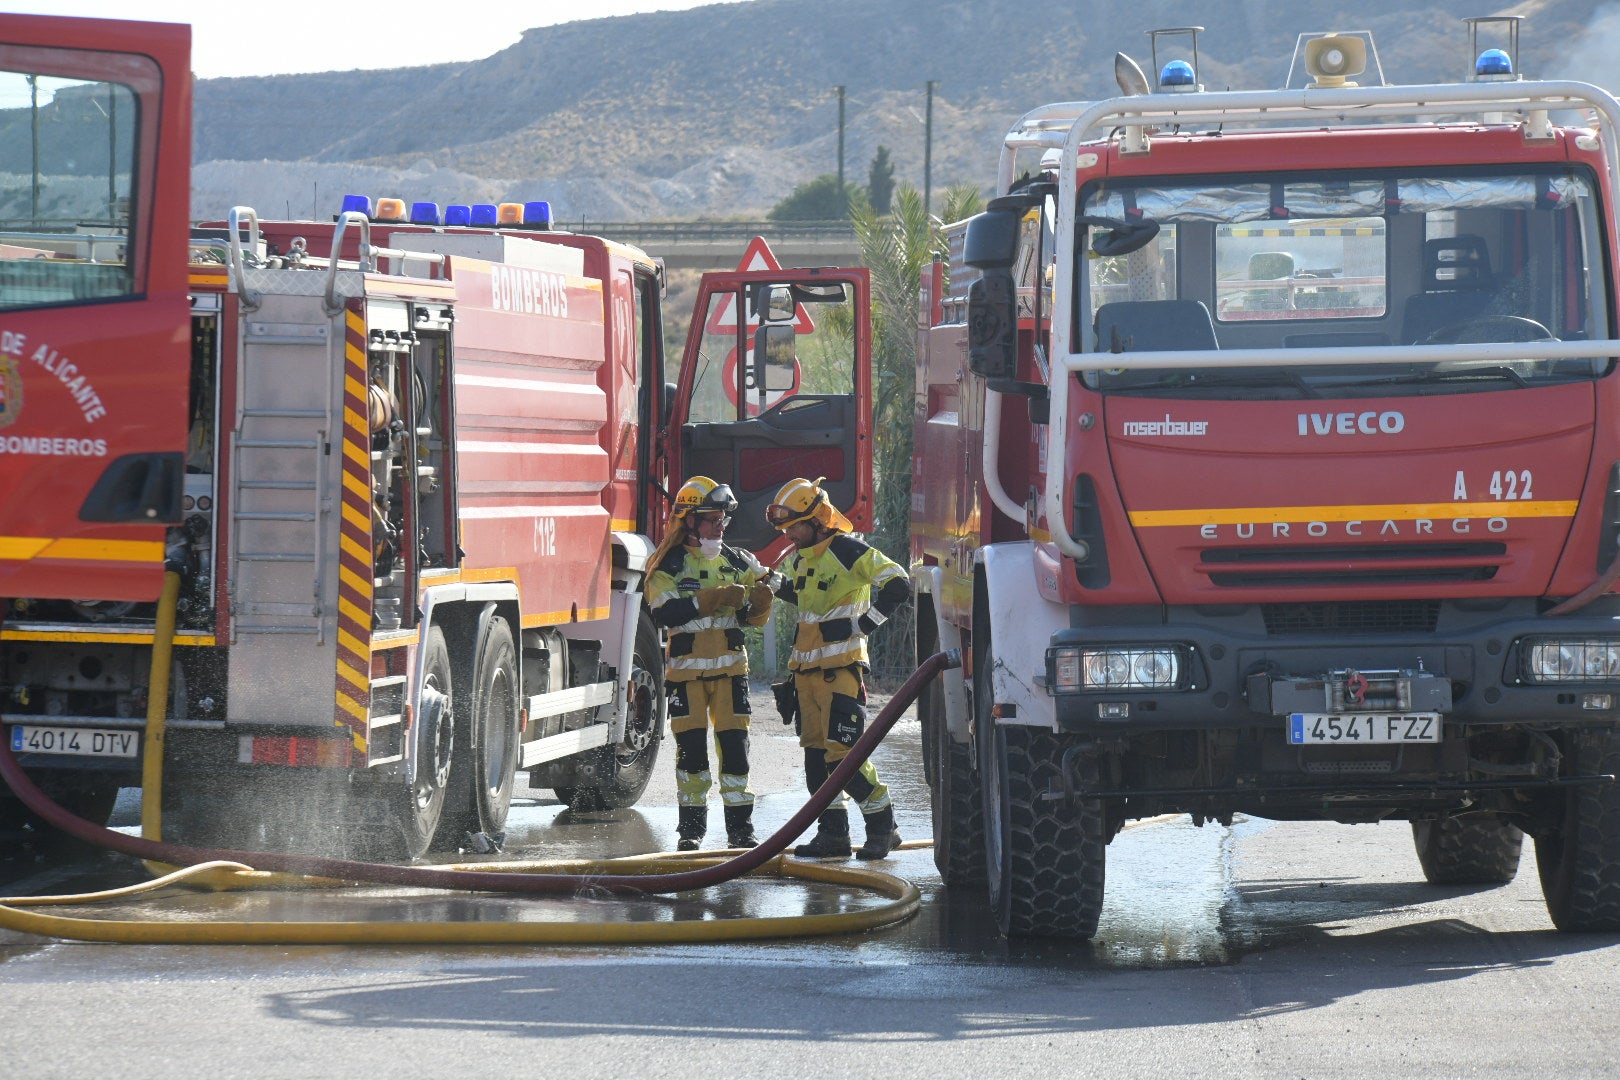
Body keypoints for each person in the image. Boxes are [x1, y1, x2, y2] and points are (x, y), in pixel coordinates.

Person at [766, 477, 910, 860]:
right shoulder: (800, 558)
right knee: (816, 763)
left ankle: (884, 828)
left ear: (818, 519)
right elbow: (798, 594)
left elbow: (899, 584)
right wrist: (764, 578)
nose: (789, 535)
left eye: (794, 526)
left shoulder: (850, 550)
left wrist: (863, 625)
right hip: (806, 676)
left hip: (841, 673)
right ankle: (833, 836)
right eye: (786, 529)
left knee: (844, 759)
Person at [647, 476, 774, 850]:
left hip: (731, 674)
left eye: (723, 520)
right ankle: (691, 832)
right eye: (712, 519)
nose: (720, 527)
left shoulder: (736, 561)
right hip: (686, 677)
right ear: (689, 520)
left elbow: (750, 616)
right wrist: (711, 598)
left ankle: (740, 831)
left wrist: (761, 605)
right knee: (691, 754)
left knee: (735, 751)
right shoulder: (666, 565)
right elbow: (664, 612)